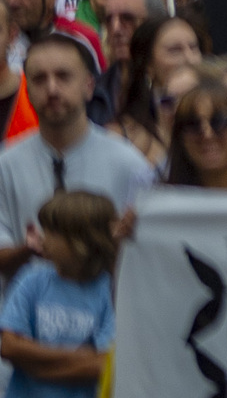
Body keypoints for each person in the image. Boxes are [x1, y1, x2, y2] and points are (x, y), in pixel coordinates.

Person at [0, 33, 152, 274]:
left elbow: (147, 253)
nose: (52, 89)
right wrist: (29, 250)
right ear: (27, 91)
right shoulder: (6, 164)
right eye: (39, 79)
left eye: (63, 76)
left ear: (89, 86)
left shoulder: (129, 164)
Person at [0, 189, 119, 398]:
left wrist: (32, 363)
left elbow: (101, 365)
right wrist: (80, 356)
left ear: (81, 241)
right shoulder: (32, 279)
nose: (43, 240)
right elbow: (8, 345)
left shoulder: (108, 292)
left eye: (52, 233)